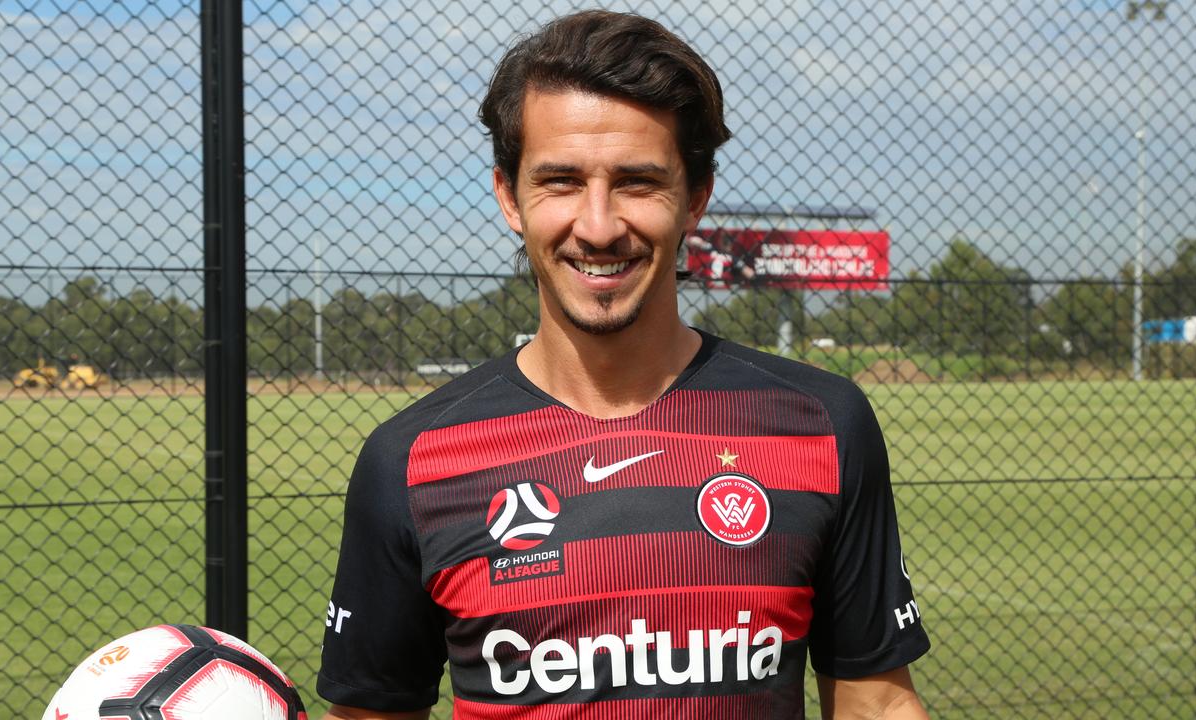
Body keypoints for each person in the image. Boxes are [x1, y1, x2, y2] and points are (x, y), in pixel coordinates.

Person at [318, 10, 929, 719]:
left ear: (695, 197)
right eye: (562, 181)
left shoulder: (823, 423)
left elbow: (877, 704)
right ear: (510, 197)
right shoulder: (412, 461)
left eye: (637, 182)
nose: (600, 226)